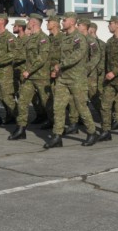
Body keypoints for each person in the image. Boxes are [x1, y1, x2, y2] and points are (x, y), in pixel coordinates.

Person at [44, 12, 100, 149]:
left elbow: (77, 55)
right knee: (58, 106)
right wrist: (56, 68)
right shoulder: (64, 38)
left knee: (81, 107)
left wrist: (60, 65)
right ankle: (57, 136)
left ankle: (92, 132)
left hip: (76, 78)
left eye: (64, 20)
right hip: (63, 78)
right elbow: (59, 55)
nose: (62, 22)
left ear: (72, 22)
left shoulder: (79, 38)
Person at [10, 13, 51, 141]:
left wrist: (29, 70)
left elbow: (41, 58)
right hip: (29, 78)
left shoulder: (43, 38)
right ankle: (21, 129)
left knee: (47, 104)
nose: (27, 23)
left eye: (28, 21)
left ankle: (58, 126)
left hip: (40, 76)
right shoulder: (30, 38)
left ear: (33, 23)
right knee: (22, 101)